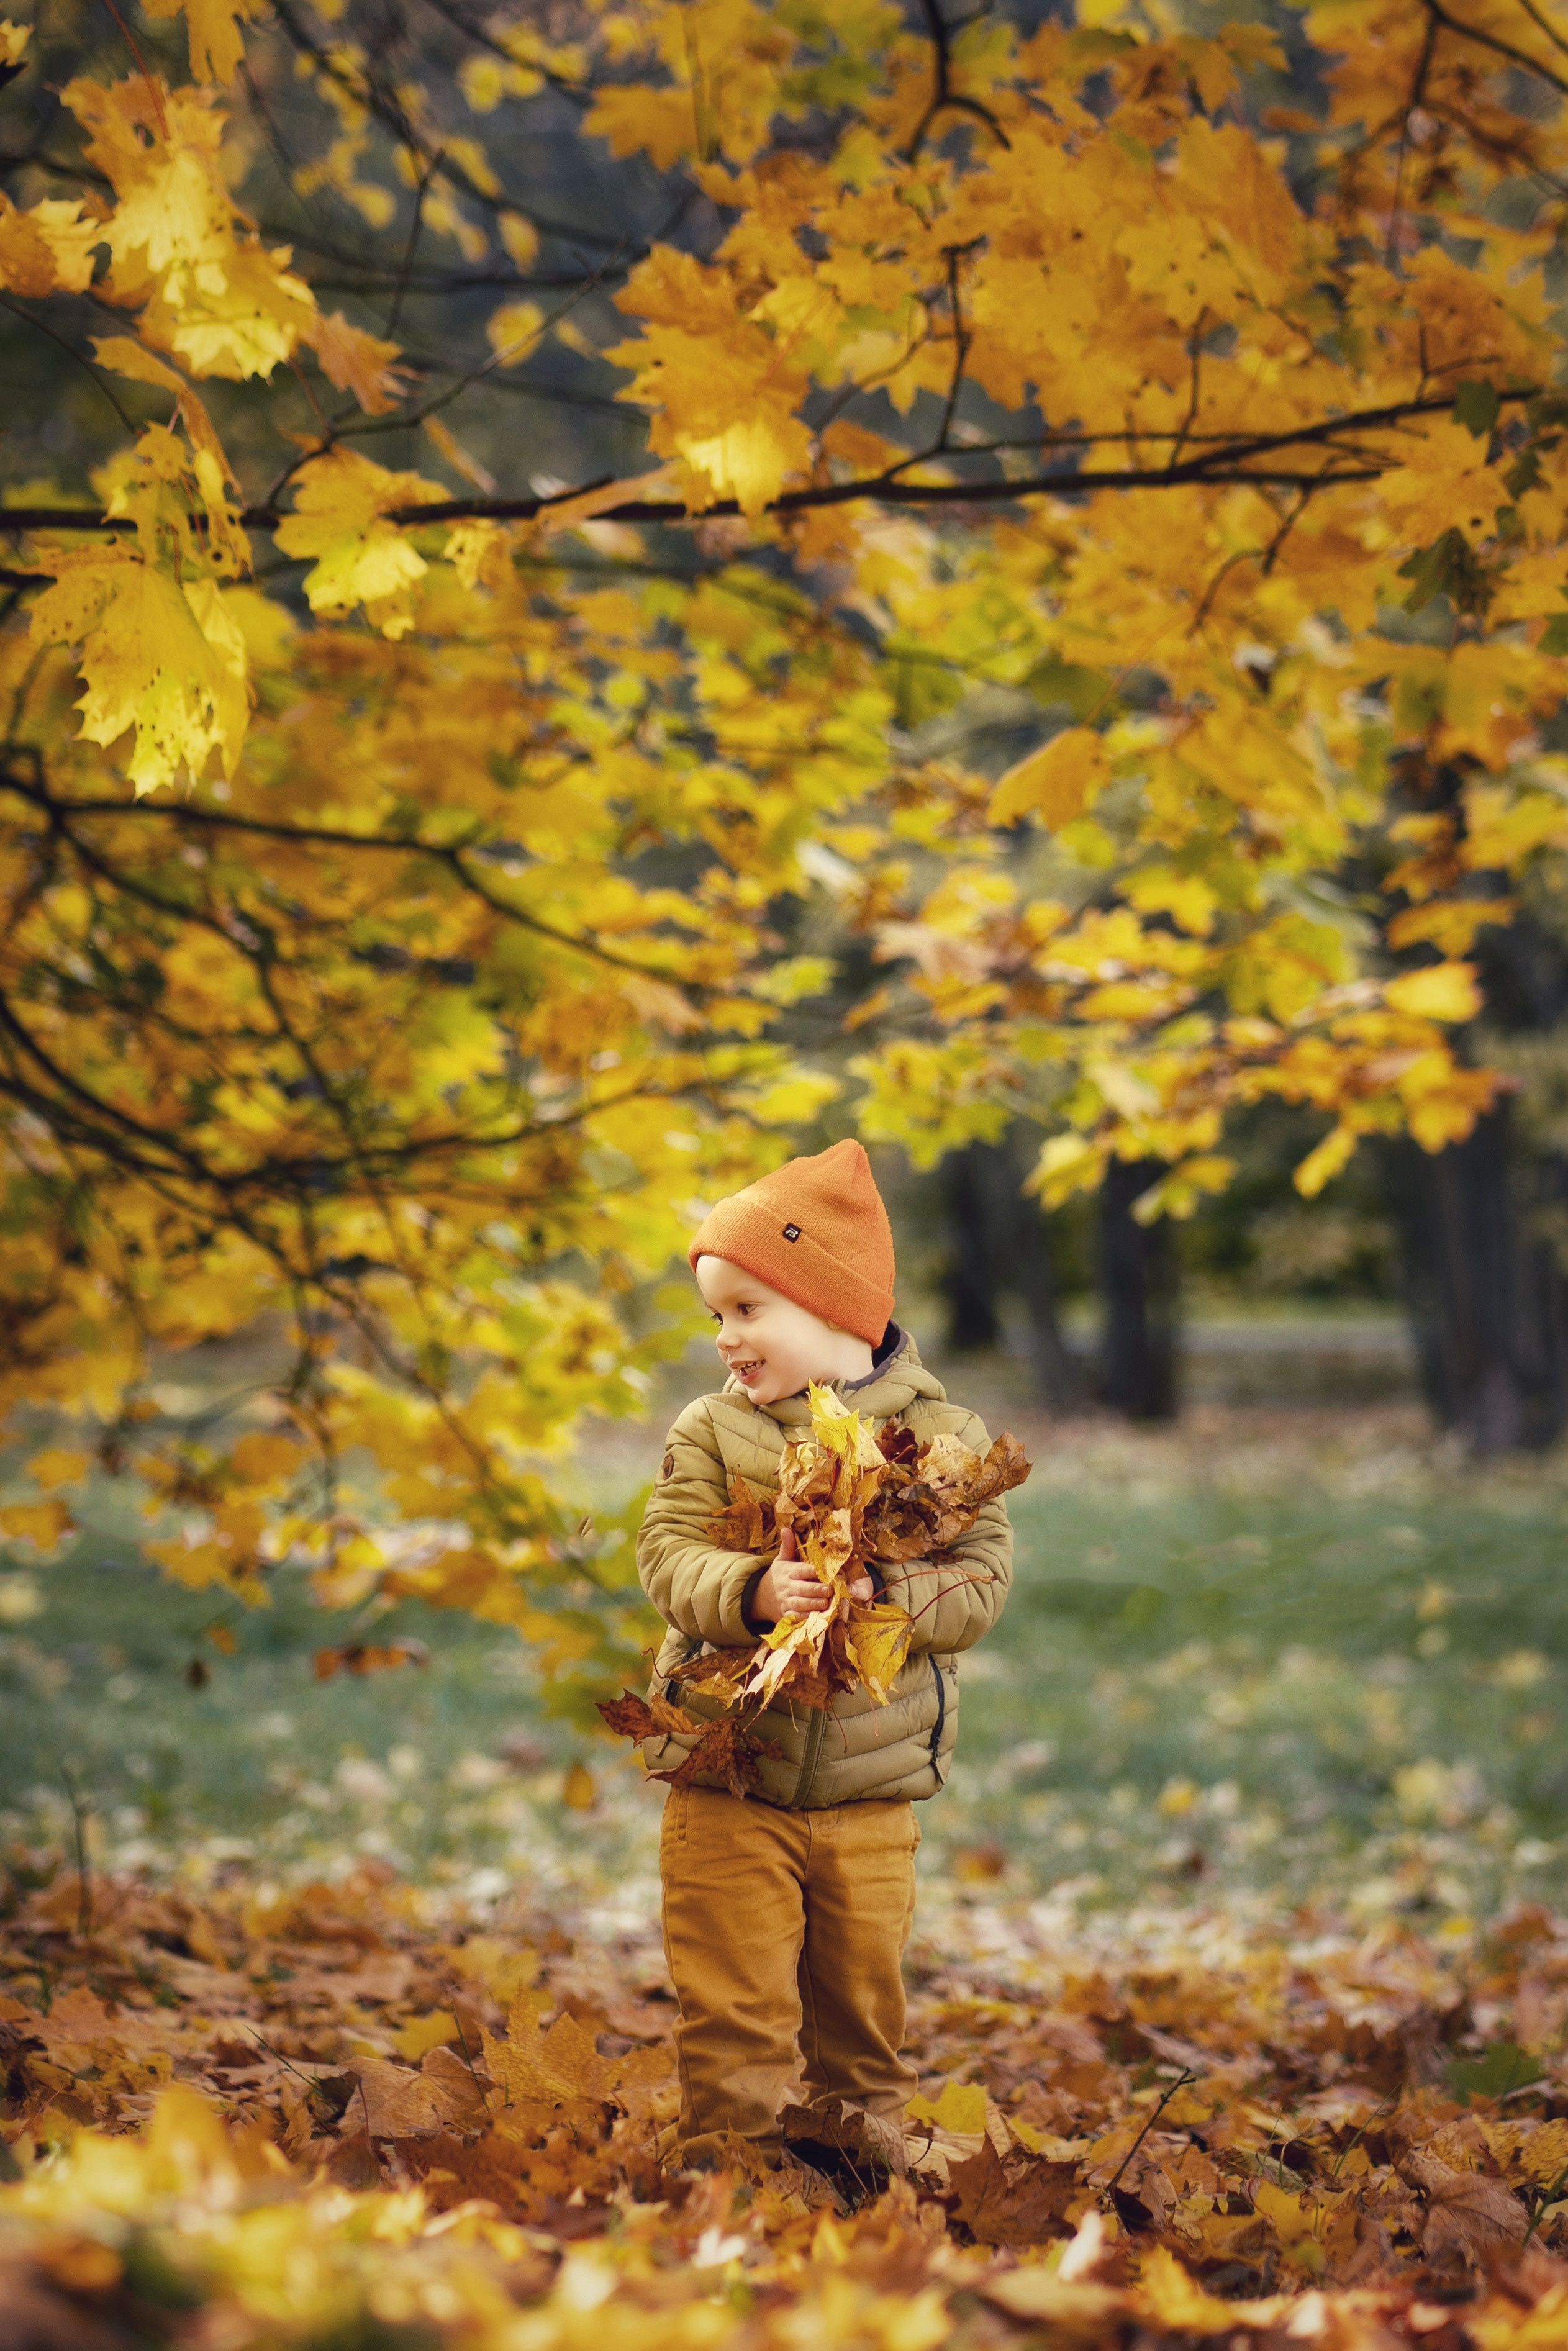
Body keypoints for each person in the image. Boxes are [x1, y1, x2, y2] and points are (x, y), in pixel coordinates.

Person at [636, 1137, 1014, 2188]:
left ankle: (862, 2181)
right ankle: (733, 2182)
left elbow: (980, 1583)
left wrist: (887, 1594)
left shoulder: (943, 1440)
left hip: (870, 1790)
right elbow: (666, 1552)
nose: (725, 1339)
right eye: (716, 1314)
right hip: (730, 1772)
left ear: (836, 1310)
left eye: (748, 1310)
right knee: (734, 2008)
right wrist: (753, 1591)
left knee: (859, 2017)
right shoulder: (710, 1430)